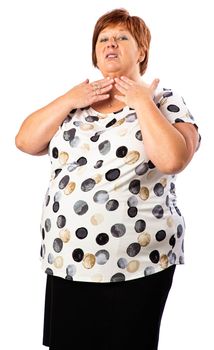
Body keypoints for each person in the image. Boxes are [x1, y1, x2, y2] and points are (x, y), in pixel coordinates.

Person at [15, 7, 201, 350]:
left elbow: (173, 159)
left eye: (121, 37)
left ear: (141, 51)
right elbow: (25, 141)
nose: (110, 44)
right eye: (103, 39)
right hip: (68, 259)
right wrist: (70, 98)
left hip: (136, 262)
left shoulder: (164, 100)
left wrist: (142, 101)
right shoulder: (75, 104)